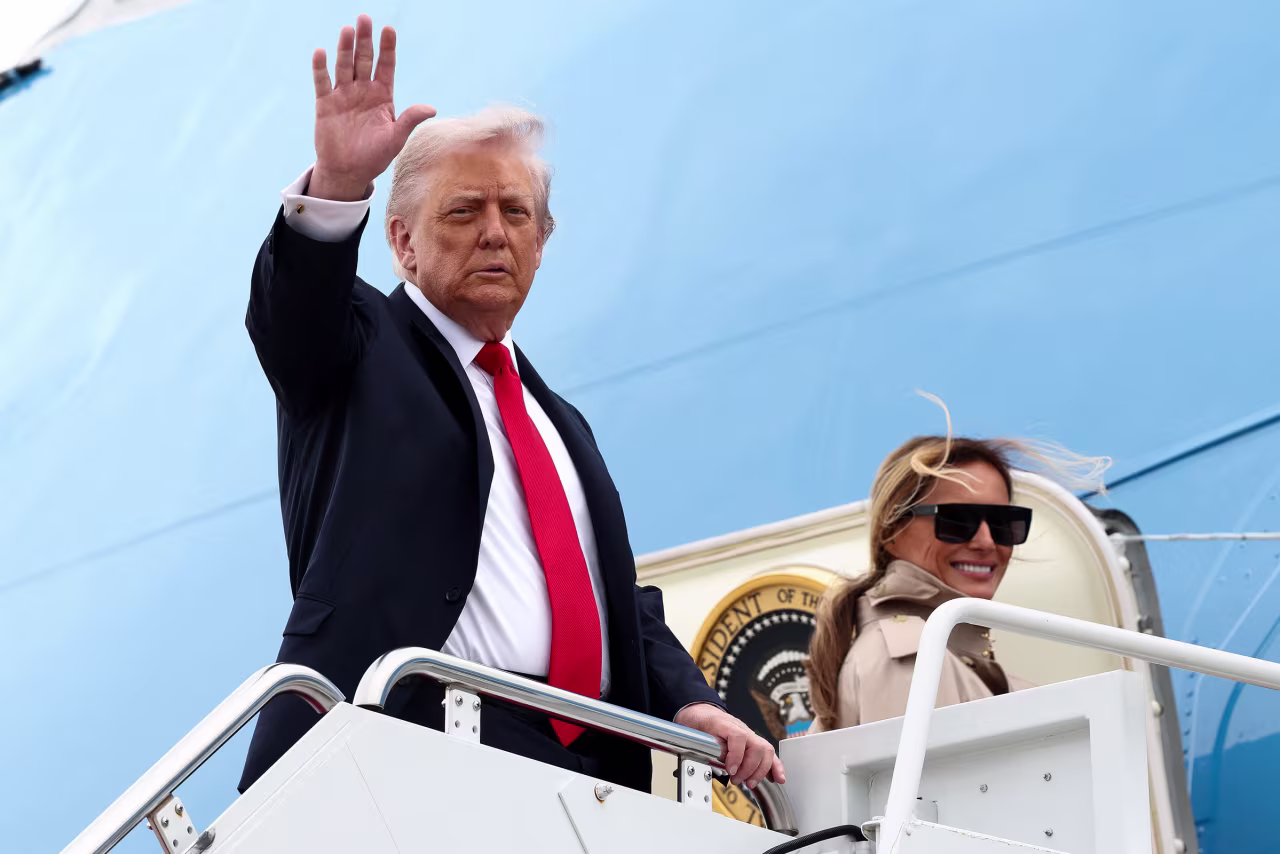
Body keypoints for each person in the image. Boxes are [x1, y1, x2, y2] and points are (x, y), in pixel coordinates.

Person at [239, 15, 783, 794]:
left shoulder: (556, 419)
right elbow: (294, 316)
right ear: (402, 242)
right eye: (463, 212)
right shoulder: (357, 353)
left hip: (591, 766)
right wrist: (338, 189)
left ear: (543, 239)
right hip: (413, 750)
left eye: (516, 212)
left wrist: (689, 700)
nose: (495, 233)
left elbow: (608, 598)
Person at [805, 433, 1106, 732]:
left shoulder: (934, 650)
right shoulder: (911, 657)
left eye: (1003, 524)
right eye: (958, 520)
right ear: (892, 532)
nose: (986, 542)